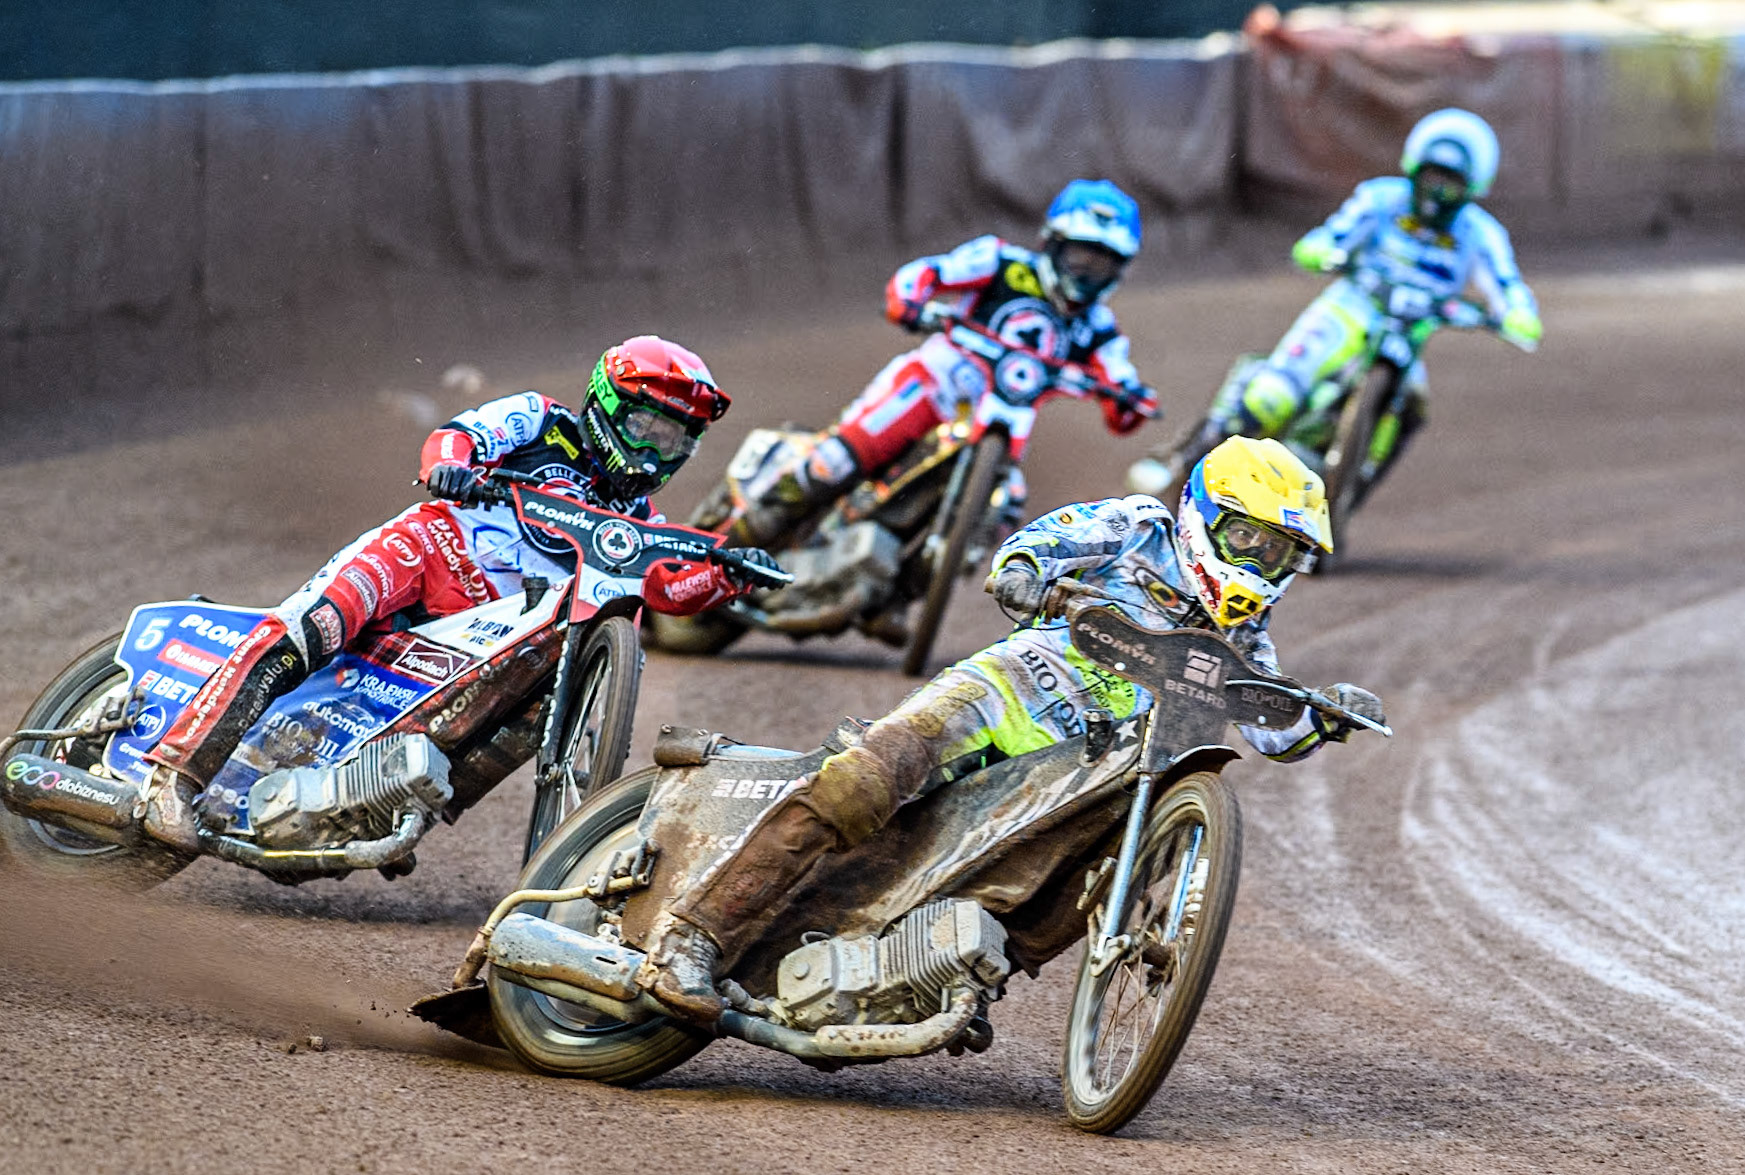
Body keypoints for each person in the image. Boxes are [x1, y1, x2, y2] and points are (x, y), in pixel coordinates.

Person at [642, 436, 1384, 1021]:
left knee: (1058, 895)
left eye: (1280, 553)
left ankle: (936, 978)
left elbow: (1274, 729)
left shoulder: (1247, 636)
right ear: (1204, 513)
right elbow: (1028, 550)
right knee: (868, 782)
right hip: (1009, 690)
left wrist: (1328, 712)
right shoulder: (1136, 526)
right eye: (1250, 540)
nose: (1261, 563)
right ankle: (691, 936)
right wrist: (1030, 576)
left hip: (1076, 768)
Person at [138, 336, 774, 852]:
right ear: (608, 405)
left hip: (482, 628)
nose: (656, 451)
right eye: (647, 427)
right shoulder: (541, 419)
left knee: (543, 698)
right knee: (314, 627)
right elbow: (459, 435)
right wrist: (452, 465)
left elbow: (666, 587)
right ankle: (175, 773)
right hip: (429, 549)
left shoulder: (638, 519)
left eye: (674, 440)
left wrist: (726, 573)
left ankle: (391, 806)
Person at [1133, 108, 1542, 496]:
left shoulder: (1481, 235)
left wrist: (1518, 316)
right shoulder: (1381, 200)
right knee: (1270, 398)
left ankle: (1354, 486)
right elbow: (1332, 236)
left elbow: (1507, 286)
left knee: (1415, 406)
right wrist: (1323, 249)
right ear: (1414, 169)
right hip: (1349, 309)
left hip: (1409, 333)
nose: (1438, 190)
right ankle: (1184, 461)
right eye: (1433, 175)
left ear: (1471, 188)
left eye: (1451, 182)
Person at [728, 179, 1158, 547]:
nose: (1086, 273)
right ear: (1052, 242)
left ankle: (906, 581)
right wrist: (912, 303)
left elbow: (1120, 385)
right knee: (832, 464)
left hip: (1000, 430)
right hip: (934, 386)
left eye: (1101, 265)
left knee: (1005, 515)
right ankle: (734, 537)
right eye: (1080, 257)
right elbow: (927, 274)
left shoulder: (1098, 327)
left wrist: (1133, 400)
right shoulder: (1000, 263)